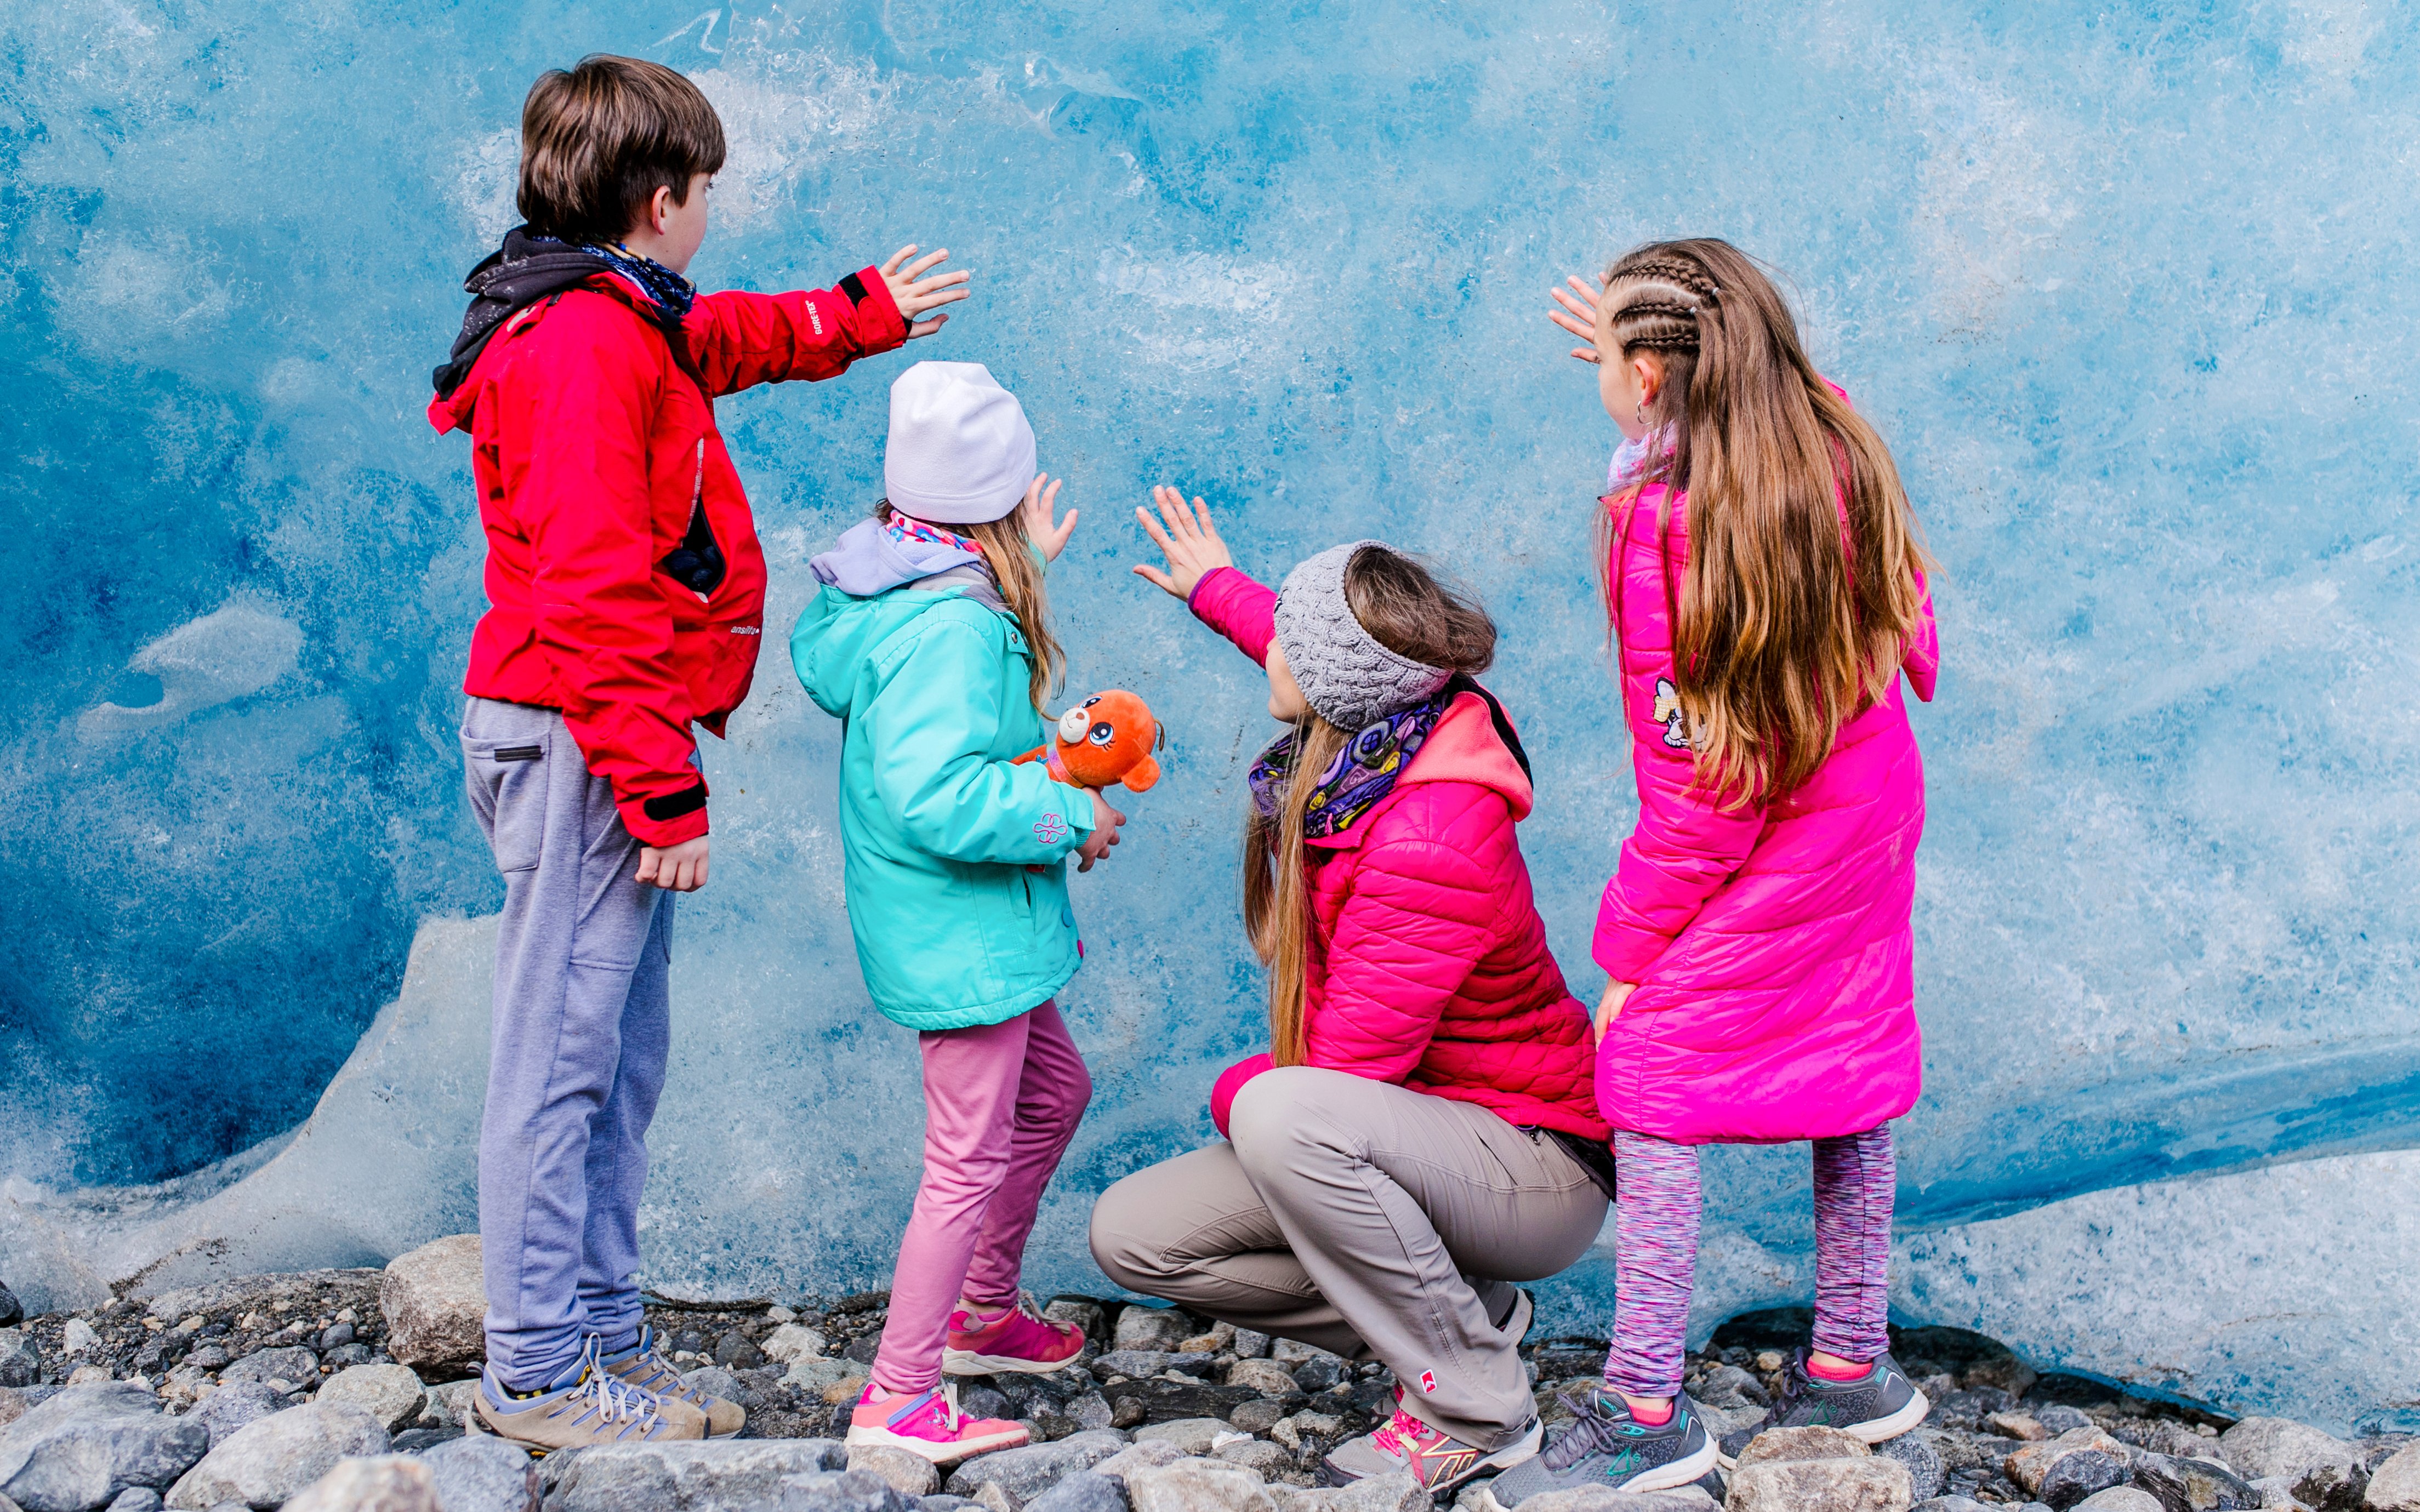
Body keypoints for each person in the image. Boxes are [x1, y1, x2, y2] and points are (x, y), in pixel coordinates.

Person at [430, 54, 969, 1452]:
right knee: (560, 1055)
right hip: (584, 735)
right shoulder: (579, 346)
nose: (714, 210)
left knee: (616, 1048)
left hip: (590, 728)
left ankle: (599, 1336)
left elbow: (714, 338)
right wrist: (659, 786)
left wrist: (856, 319)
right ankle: (539, 1370)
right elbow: (592, 590)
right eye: (710, 190)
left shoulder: (602, 304)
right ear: (665, 200)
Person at [1479, 239, 1940, 1505]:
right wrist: (1656, 360)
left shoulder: (1667, 536)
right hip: (1867, 805)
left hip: (1780, 825)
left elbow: (1701, 801)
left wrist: (1626, 954)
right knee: (1847, 1055)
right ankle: (1852, 1363)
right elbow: (1777, 378)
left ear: (1649, 374)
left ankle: (1643, 1408)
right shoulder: (1827, 446)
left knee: (1650, 1070)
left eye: (1620, 362)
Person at [1090, 492, 1615, 1498]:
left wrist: (1241, 1097)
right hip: (1418, 1138)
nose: (1272, 653)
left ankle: (1475, 1406)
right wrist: (1214, 588)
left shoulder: (1429, 833)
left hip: (1533, 1161)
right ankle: (1470, 1319)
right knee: (1134, 1234)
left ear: (1334, 680)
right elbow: (1325, 653)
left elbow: (1341, 1077)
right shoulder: (1387, 729)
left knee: (1280, 1109)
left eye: (1287, 640)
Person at [792, 361, 1126, 1464]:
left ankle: (984, 1310)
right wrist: (1068, 811)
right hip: (964, 938)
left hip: (969, 929)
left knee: (1057, 1090)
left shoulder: (909, 584)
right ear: (991, 502)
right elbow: (938, 795)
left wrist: (1019, 561)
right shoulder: (951, 628)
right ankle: (901, 1394)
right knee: (963, 1161)